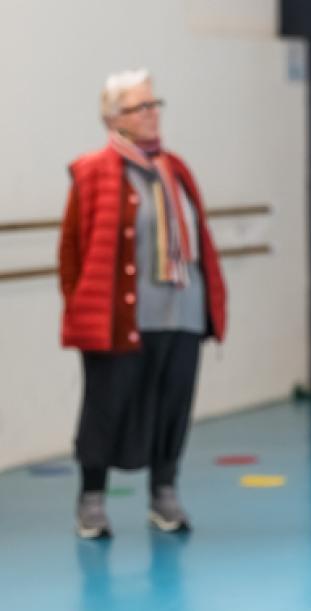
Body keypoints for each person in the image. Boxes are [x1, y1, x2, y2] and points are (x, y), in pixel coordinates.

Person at [58, 69, 227, 539]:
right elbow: (71, 250)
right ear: (115, 117)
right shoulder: (92, 171)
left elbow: (199, 237)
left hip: (184, 314)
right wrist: (82, 307)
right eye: (141, 106)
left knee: (173, 405)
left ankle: (164, 494)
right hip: (122, 318)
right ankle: (91, 500)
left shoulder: (176, 168)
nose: (153, 114)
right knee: (106, 406)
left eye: (155, 105)